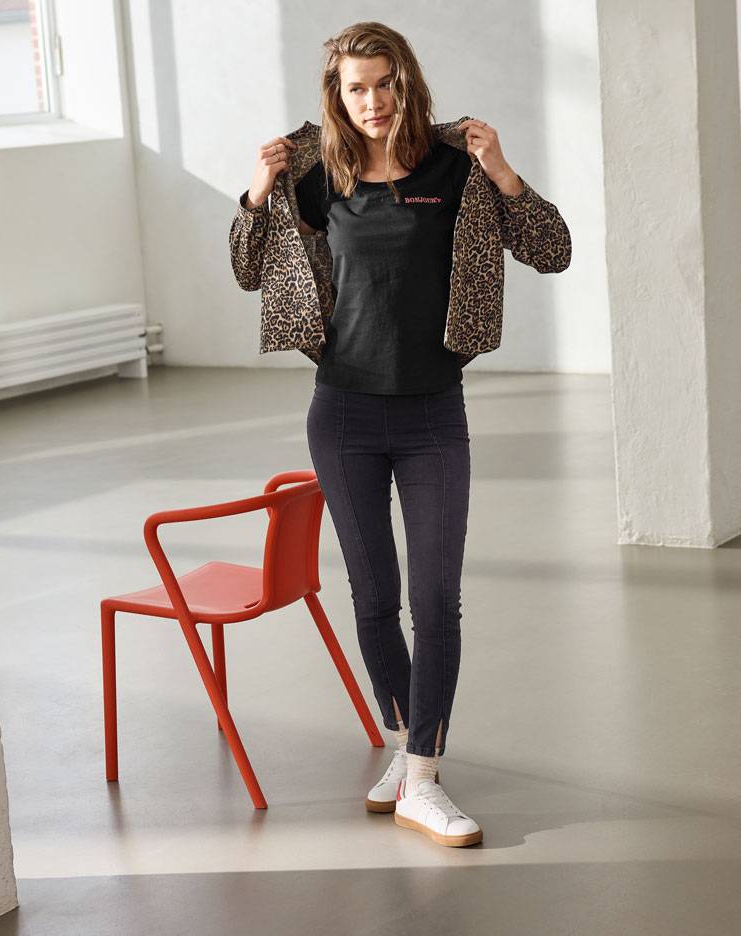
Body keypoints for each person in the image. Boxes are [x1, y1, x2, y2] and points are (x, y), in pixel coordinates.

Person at [240, 22, 569, 848]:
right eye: (357, 88)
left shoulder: (454, 166)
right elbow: (250, 269)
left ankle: (422, 776)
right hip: (342, 413)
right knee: (375, 600)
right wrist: (254, 194)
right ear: (338, 96)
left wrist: (505, 173)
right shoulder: (316, 178)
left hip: (432, 414)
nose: (374, 101)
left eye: (385, 83)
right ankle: (410, 752)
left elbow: (552, 249)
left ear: (406, 82)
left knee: (436, 601)